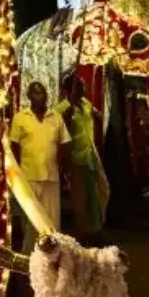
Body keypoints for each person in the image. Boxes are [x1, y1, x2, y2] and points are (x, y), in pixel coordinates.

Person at [9, 82, 72, 251]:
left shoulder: (56, 117)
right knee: (31, 222)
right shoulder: (20, 118)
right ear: (29, 96)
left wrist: (61, 163)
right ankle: (30, 256)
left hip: (51, 177)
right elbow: (14, 146)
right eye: (36, 93)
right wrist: (17, 174)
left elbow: (66, 142)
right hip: (28, 178)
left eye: (43, 93)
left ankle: (53, 255)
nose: (41, 96)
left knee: (52, 220)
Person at [56, 74, 109, 243]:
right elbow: (62, 130)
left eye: (83, 85)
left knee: (99, 192)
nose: (83, 88)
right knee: (80, 198)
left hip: (90, 156)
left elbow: (99, 117)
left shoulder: (86, 103)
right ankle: (85, 233)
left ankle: (96, 229)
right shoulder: (61, 108)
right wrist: (70, 104)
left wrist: (96, 115)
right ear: (69, 89)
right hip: (75, 158)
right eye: (79, 86)